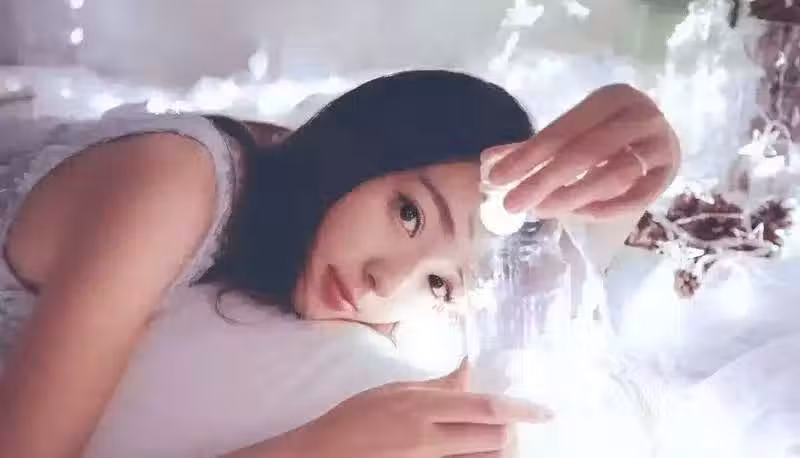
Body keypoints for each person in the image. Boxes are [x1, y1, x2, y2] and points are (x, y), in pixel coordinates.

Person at [0, 70, 679, 457]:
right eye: (408, 214)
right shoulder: (173, 187)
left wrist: (649, 163)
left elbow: (556, 273)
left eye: (438, 282)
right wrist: (318, 448)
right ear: (366, 148)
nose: (387, 280)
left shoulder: (302, 232)